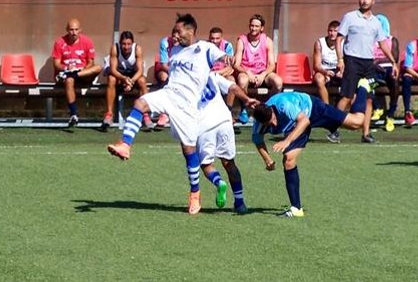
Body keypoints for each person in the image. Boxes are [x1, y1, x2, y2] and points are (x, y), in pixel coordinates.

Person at [106, 14, 237, 215]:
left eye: (178, 31)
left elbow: (224, 57)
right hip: (169, 94)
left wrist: (228, 58)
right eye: (173, 31)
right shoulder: (174, 49)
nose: (174, 35)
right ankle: (125, 145)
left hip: (187, 106)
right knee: (140, 103)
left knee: (189, 152)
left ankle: (195, 194)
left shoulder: (205, 48)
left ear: (190, 31)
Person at [250, 81, 372, 218]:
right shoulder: (258, 125)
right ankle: (296, 209)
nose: (274, 124)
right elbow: (258, 141)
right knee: (289, 160)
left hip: (313, 109)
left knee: (357, 123)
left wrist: (286, 141)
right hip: (295, 125)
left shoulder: (284, 105)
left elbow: (304, 121)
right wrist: (268, 160)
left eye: (273, 119)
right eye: (270, 124)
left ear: (272, 111)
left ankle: (362, 87)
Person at [197, 72, 269, 215]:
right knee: (229, 163)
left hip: (204, 124)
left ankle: (219, 182)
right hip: (224, 121)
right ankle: (240, 202)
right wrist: (247, 99)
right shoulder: (212, 75)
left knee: (206, 164)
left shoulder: (185, 80)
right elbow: (234, 88)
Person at [333, 0, 398, 144]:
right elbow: (339, 39)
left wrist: (394, 62)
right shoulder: (349, 17)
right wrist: (340, 59)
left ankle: (366, 134)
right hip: (352, 61)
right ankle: (333, 129)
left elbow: (382, 43)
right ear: (359, 0)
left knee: (369, 99)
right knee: (347, 96)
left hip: (369, 64)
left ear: (373, 1)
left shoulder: (376, 22)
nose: (364, 1)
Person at [52, 18, 104, 127]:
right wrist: (66, 67)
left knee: (98, 67)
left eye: (76, 29)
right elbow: (56, 64)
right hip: (67, 74)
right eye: (71, 30)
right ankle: (74, 114)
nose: (74, 33)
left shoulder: (87, 41)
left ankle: (74, 74)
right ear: (67, 30)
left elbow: (91, 62)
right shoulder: (59, 42)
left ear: (80, 29)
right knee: (69, 79)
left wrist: (81, 69)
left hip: (82, 73)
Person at [232, 14, 283, 123]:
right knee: (242, 80)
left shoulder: (267, 41)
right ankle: (244, 109)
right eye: (252, 25)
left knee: (278, 82)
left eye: (256, 26)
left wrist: (263, 74)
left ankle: (268, 108)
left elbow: (272, 65)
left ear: (262, 28)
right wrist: (247, 72)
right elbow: (236, 64)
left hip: (262, 73)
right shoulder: (242, 40)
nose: (253, 28)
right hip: (246, 71)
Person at [101, 31, 151, 129]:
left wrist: (131, 81)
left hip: (133, 75)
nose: (126, 47)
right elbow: (113, 70)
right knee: (111, 79)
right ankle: (109, 114)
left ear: (132, 43)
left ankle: (145, 115)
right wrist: (124, 79)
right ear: (120, 43)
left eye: (129, 44)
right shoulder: (115, 49)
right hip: (119, 75)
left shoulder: (138, 49)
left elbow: (140, 71)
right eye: (124, 44)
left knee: (142, 81)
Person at [368, 13, 400, 133]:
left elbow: (394, 58)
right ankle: (377, 108)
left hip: (388, 68)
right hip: (373, 69)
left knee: (395, 81)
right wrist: (374, 64)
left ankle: (390, 114)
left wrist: (379, 61)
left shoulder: (392, 40)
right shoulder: (369, 40)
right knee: (368, 81)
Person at [152, 28, 178, 128]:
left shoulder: (186, 45)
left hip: (179, 71)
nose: (176, 39)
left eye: (178, 37)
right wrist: (174, 73)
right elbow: (163, 64)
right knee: (164, 76)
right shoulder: (165, 42)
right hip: (166, 69)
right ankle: (164, 113)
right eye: (174, 37)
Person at [312, 20, 342, 104]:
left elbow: (347, 62)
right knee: (318, 79)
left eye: (335, 31)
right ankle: (326, 106)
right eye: (330, 31)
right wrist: (325, 72)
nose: (332, 33)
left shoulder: (343, 43)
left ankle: (344, 109)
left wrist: (342, 71)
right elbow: (316, 65)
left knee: (351, 80)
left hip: (338, 70)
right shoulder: (319, 43)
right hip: (323, 70)